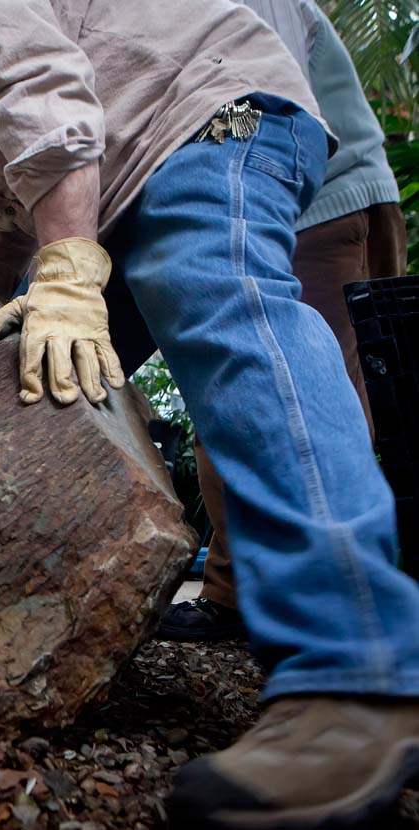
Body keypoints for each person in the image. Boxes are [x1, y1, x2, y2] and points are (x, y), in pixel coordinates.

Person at [0, 0, 419, 826]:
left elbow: (44, 90)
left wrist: (67, 269)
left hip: (203, 112)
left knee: (215, 285)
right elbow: (1, 208)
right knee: (14, 358)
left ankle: (358, 675)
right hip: (118, 172)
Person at [159, 0, 409, 643]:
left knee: (263, 382)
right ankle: (248, 594)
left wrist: (183, 173)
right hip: (318, 193)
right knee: (280, 387)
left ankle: (330, 625)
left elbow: (256, 96)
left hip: (311, 203)